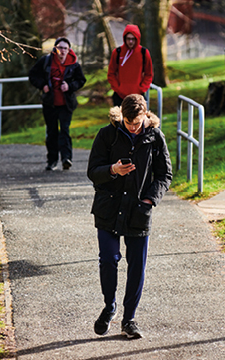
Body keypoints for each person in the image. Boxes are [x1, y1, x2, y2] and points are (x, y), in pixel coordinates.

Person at [87, 94, 172, 339]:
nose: (133, 127)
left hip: (138, 209)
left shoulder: (155, 136)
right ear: (121, 116)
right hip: (108, 208)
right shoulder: (107, 134)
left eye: (137, 123)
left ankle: (129, 319)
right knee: (108, 259)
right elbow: (93, 171)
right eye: (128, 122)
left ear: (146, 116)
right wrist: (112, 170)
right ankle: (109, 306)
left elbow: (164, 175)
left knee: (137, 266)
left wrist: (149, 200)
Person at [29, 37, 86, 171]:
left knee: (64, 131)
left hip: (66, 103)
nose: (62, 51)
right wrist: (42, 85)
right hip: (50, 103)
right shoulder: (46, 61)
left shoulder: (74, 64)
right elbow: (32, 75)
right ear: (55, 49)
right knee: (52, 132)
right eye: (60, 48)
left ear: (69, 50)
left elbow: (81, 80)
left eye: (65, 48)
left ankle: (66, 159)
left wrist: (70, 86)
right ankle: (52, 160)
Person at [107, 24, 154, 107]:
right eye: (128, 39)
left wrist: (141, 89)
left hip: (138, 96)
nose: (131, 42)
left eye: (133, 39)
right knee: (118, 119)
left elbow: (148, 74)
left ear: (137, 39)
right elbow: (111, 73)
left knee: (138, 119)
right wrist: (118, 88)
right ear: (124, 39)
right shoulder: (117, 52)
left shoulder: (144, 53)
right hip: (120, 96)